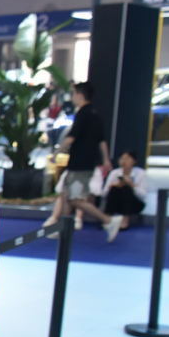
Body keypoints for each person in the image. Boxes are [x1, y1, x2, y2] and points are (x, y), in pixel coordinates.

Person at [46, 81, 120, 241]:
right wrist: (106, 159)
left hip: (79, 164)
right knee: (65, 195)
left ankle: (108, 220)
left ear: (80, 95)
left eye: (73, 94)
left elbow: (71, 137)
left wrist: (56, 153)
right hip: (85, 163)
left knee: (75, 199)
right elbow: (102, 140)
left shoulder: (82, 114)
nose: (72, 97)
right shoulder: (95, 114)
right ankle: (63, 229)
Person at [102, 150, 148, 231]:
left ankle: (125, 220)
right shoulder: (114, 173)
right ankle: (107, 219)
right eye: (122, 159)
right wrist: (112, 186)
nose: (124, 161)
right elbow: (103, 194)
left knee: (126, 189)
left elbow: (143, 196)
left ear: (134, 161)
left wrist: (132, 185)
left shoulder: (141, 174)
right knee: (115, 189)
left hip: (135, 204)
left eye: (127, 159)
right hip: (117, 202)